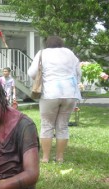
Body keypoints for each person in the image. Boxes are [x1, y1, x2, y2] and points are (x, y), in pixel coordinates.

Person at [28, 35, 81, 163]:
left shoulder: (42, 53)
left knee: (47, 125)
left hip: (50, 93)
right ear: (61, 43)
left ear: (47, 44)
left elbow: (32, 73)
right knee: (62, 126)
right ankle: (59, 157)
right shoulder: (70, 53)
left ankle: (45, 158)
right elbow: (79, 72)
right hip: (70, 93)